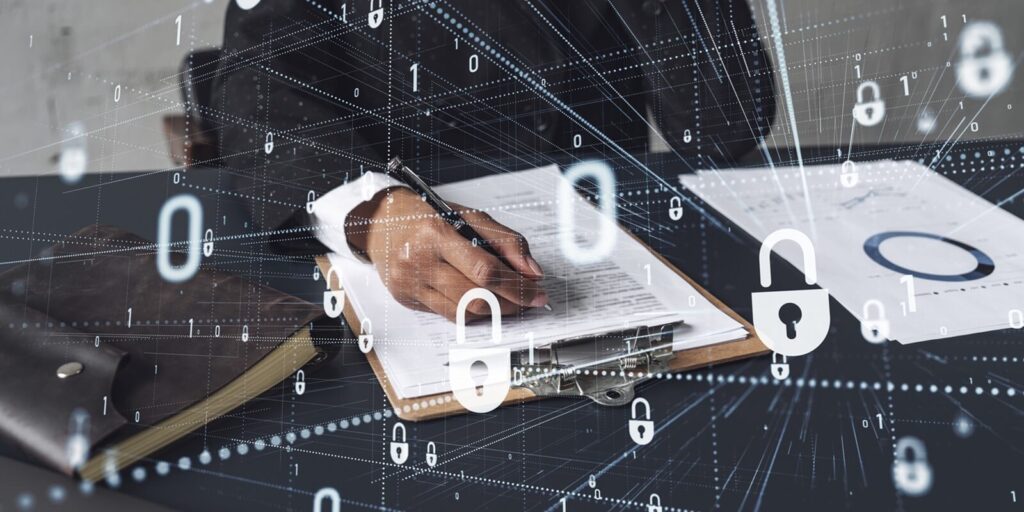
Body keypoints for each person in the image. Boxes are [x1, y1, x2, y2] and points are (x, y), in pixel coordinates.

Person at [213, 0, 774, 321]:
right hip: (409, 254)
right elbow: (260, 78)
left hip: (629, 249)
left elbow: (723, 129)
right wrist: (373, 212)